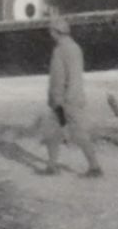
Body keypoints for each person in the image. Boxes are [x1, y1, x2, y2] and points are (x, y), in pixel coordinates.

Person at [40, 15, 103, 178]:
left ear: (56, 31)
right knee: (51, 131)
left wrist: (66, 102)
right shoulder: (63, 48)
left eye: (51, 31)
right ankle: (51, 165)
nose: (49, 34)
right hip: (59, 101)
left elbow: (73, 78)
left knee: (79, 134)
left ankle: (95, 167)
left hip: (68, 101)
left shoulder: (68, 49)